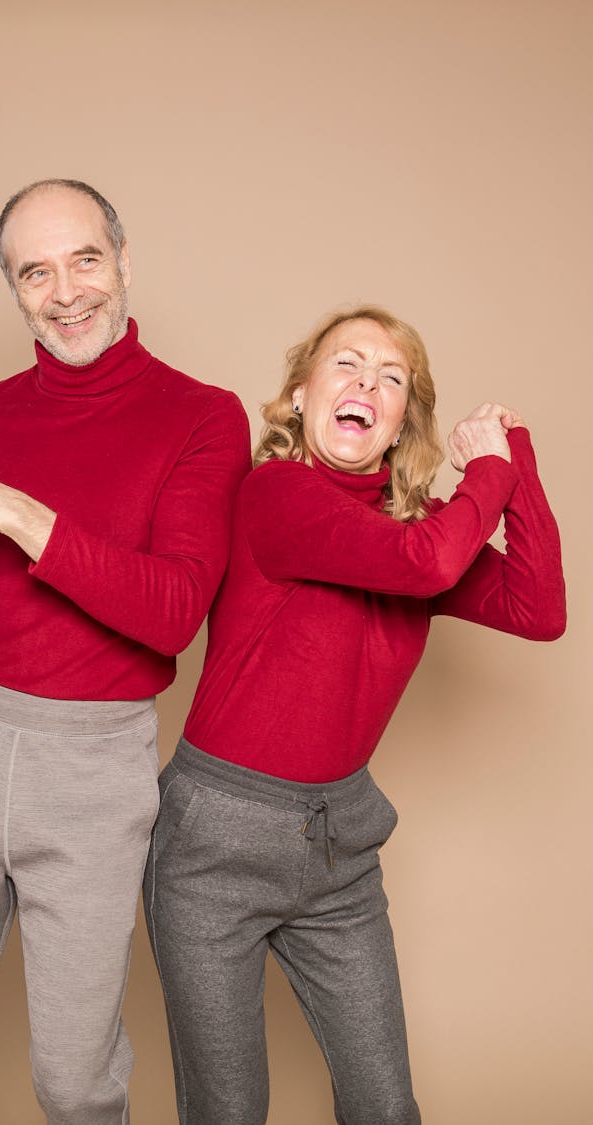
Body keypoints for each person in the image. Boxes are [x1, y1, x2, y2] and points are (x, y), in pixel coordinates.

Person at [0, 178, 249, 1125]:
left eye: (85, 259)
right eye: (35, 271)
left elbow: (173, 612)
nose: (66, 289)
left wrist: (22, 514)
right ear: (15, 289)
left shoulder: (204, 417)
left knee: (77, 1080)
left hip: (93, 768)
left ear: (124, 261)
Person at [144, 305, 565, 1125]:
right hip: (213, 848)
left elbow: (538, 606)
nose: (367, 383)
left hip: (340, 851)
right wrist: (487, 479)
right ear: (301, 395)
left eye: (392, 376)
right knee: (227, 1112)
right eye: (347, 364)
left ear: (403, 418)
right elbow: (430, 560)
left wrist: (516, 461)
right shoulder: (276, 496)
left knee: (384, 1107)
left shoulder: (413, 534)